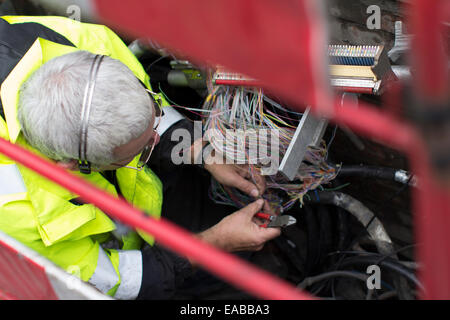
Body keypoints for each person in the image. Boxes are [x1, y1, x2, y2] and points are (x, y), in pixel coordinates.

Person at [0, 15, 280, 299]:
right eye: (142, 149)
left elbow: (141, 112)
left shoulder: (87, 41)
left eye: (154, 116)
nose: (156, 139)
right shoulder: (16, 210)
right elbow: (115, 281)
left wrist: (200, 148)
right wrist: (217, 243)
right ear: (72, 166)